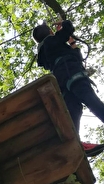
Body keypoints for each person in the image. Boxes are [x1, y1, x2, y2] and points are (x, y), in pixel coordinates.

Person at [33, 20, 104, 157]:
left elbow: (76, 56)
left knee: (74, 110)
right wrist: (63, 24)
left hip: (63, 82)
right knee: (90, 99)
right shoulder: (51, 41)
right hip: (72, 73)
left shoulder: (47, 50)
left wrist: (71, 43)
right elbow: (68, 28)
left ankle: (75, 142)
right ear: (49, 32)